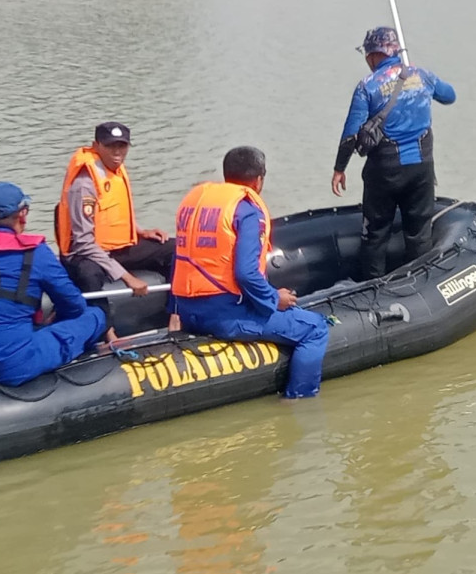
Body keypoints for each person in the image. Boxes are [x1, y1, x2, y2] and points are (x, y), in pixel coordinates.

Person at [170, 147, 329, 399]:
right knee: (316, 328)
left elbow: (180, 259)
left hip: (188, 312)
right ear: (258, 180)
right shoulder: (246, 211)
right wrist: (275, 299)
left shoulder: (197, 204)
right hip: (225, 315)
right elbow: (245, 273)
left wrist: (174, 310)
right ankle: (300, 399)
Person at [0, 183, 107, 385]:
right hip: (10, 365)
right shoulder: (37, 253)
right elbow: (74, 306)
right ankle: (94, 360)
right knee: (95, 315)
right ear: (22, 214)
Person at [331, 27, 456, 280]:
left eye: (367, 54)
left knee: (375, 235)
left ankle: (373, 286)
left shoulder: (368, 86)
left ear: (375, 55)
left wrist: (339, 169)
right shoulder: (422, 75)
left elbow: (350, 135)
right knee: (419, 233)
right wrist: (418, 81)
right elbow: (449, 96)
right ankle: (420, 283)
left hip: (385, 172)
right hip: (421, 169)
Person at [56, 123, 174, 325]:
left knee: (174, 247)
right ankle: (105, 330)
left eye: (122, 146)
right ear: (96, 146)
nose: (117, 152)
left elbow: (112, 213)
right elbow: (83, 242)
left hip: (117, 247)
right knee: (89, 274)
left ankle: (174, 313)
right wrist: (127, 277)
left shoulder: (115, 170)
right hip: (86, 252)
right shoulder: (84, 184)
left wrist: (141, 231)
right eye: (110, 146)